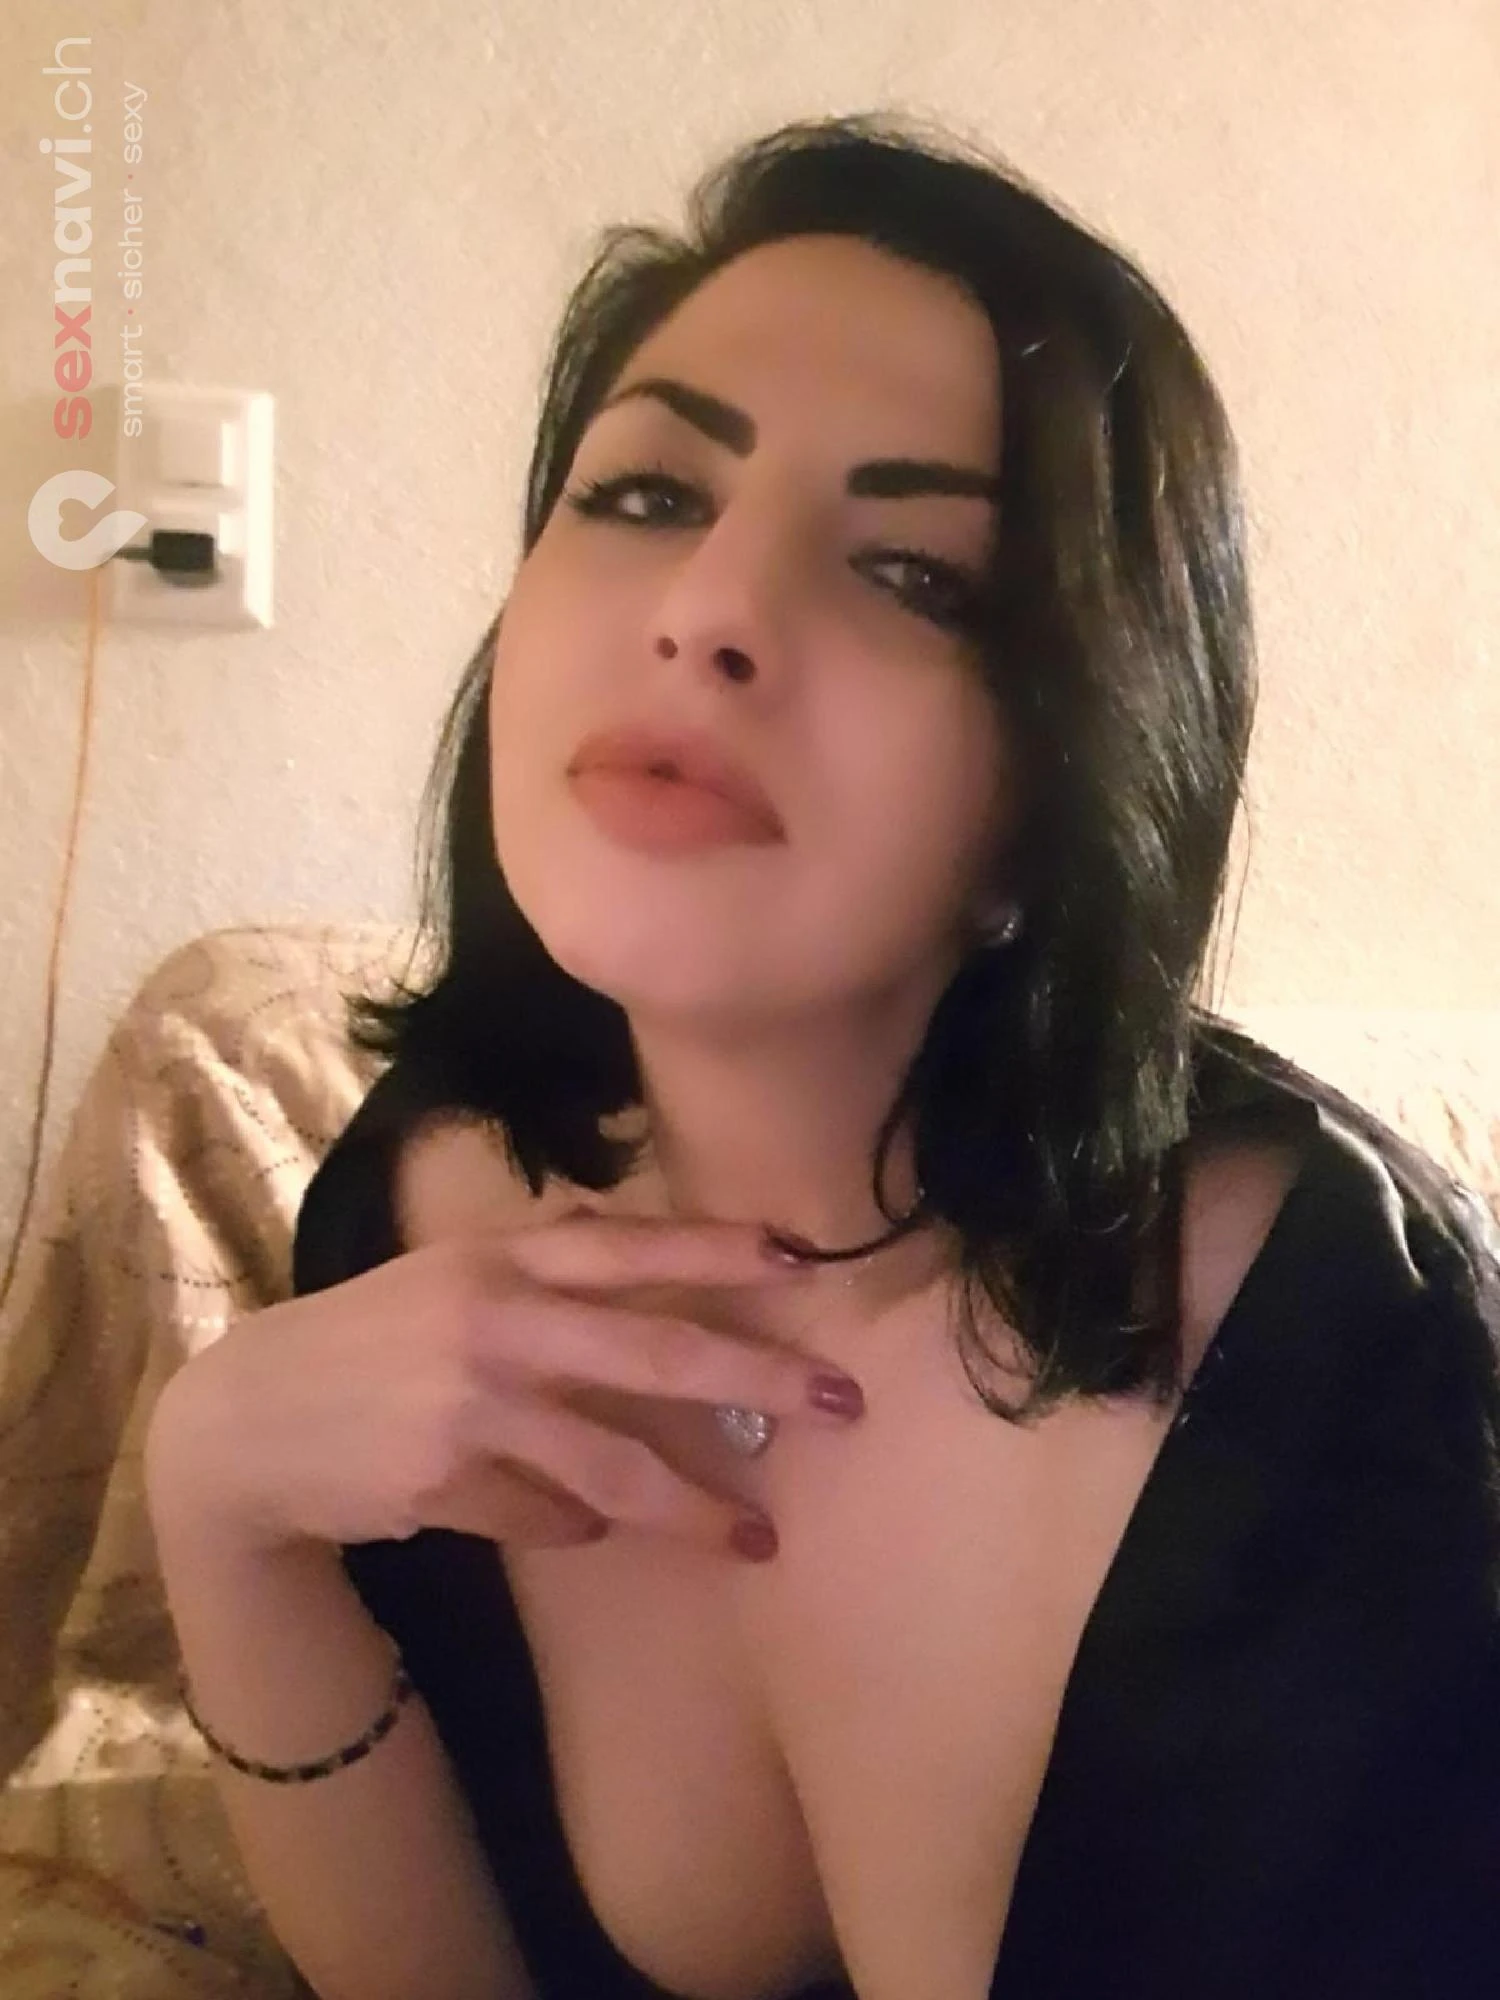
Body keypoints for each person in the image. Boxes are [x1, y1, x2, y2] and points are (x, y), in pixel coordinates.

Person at [145, 111, 1500, 2000]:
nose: (707, 610)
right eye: (645, 494)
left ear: (1069, 784)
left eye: (918, 575)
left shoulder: (1331, 1345)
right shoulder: (420, 1199)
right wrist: (217, 1503)